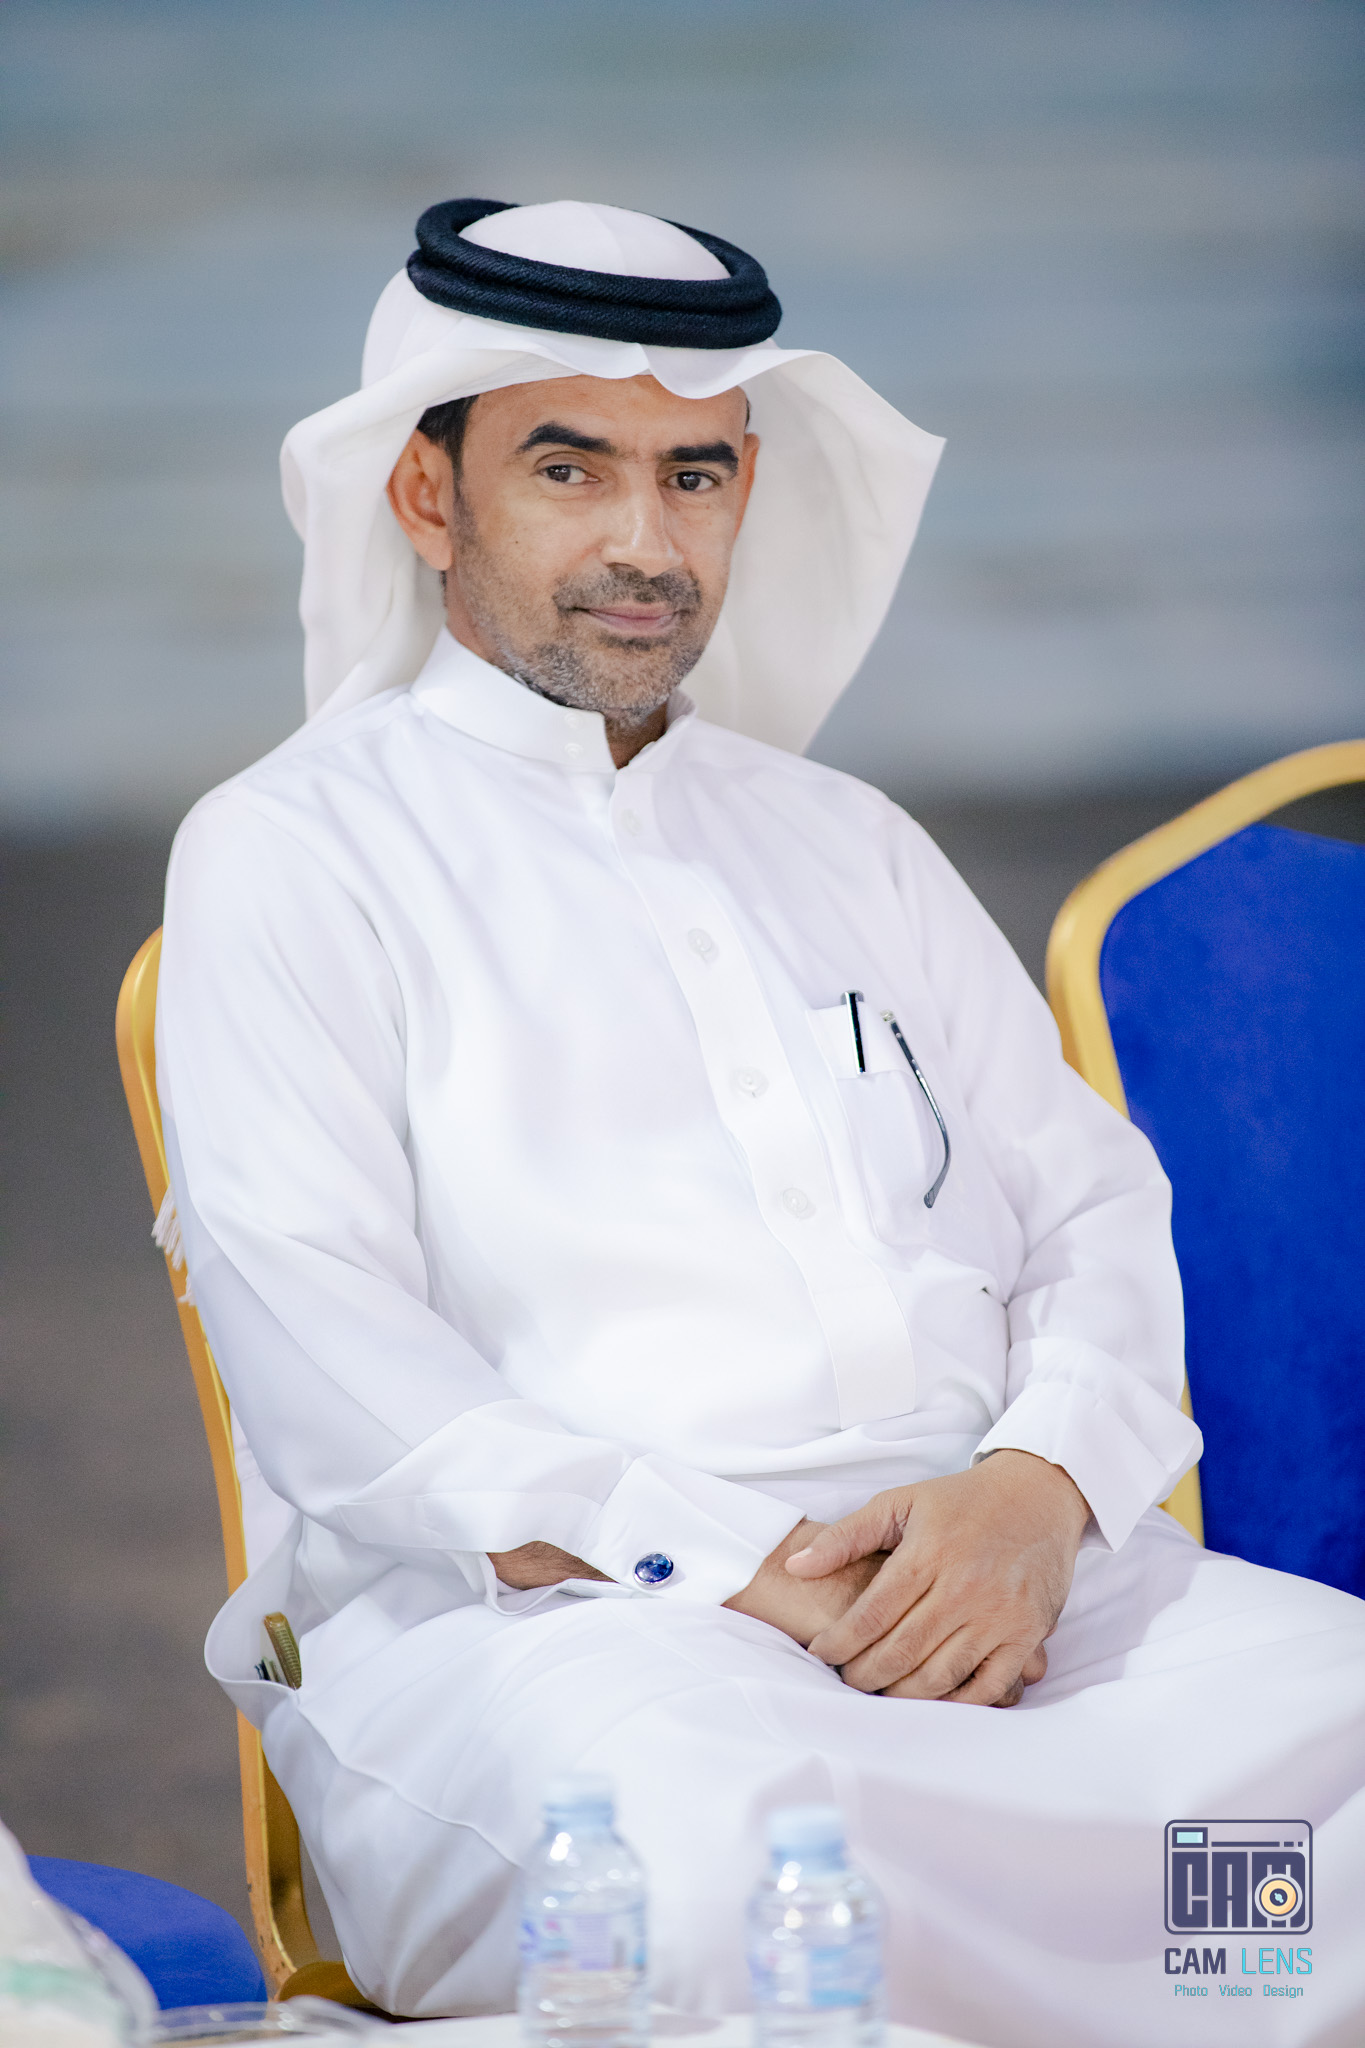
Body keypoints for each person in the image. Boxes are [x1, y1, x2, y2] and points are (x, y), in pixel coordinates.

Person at [155, 200, 1365, 2047]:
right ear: (425, 495)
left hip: (1009, 1592)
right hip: (569, 1644)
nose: (646, 544)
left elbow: (1088, 1208)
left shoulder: (844, 838)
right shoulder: (294, 851)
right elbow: (333, 1362)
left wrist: (1035, 1495)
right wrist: (747, 1580)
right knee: (723, 1880)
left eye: (696, 475)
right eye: (569, 468)